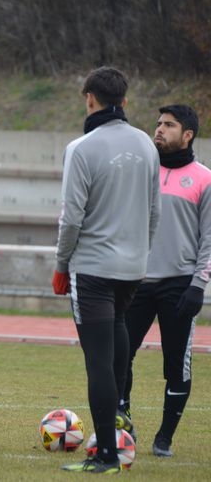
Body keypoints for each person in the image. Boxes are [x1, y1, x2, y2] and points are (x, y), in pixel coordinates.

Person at [53, 66, 161, 474]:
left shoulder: (81, 148)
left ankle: (106, 456)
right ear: (125, 102)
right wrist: (141, 254)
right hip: (132, 268)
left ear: (90, 99)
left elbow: (71, 219)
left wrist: (62, 264)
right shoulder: (147, 146)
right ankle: (116, 430)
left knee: (97, 361)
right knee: (116, 349)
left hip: (93, 269)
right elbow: (155, 212)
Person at [120, 104, 209, 458]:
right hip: (135, 281)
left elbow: (209, 239)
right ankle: (121, 419)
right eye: (157, 124)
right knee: (119, 354)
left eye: (169, 125)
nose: (159, 130)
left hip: (180, 284)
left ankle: (165, 438)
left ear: (187, 135)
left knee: (176, 364)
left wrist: (198, 284)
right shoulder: (142, 173)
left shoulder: (204, 178)